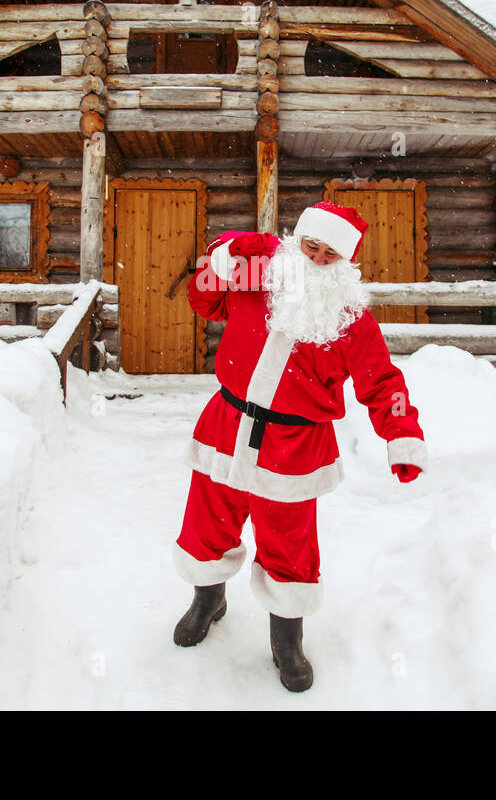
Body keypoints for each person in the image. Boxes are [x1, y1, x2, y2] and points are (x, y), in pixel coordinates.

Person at [171, 200, 428, 692]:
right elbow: (202, 299)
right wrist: (223, 255)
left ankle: (286, 639)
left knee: (289, 543)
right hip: (227, 423)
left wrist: (402, 434)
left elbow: (383, 383)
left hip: (294, 445)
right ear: (297, 240)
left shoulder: (353, 320)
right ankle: (207, 599)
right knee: (208, 521)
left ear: (346, 262)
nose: (316, 258)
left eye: (331, 253)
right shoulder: (257, 277)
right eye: (310, 245)